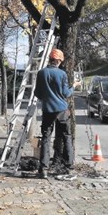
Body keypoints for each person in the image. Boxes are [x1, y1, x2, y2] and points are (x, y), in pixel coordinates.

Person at [34, 48, 81, 178]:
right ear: (59, 60)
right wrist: (74, 86)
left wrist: (47, 98)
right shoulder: (62, 74)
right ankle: (69, 167)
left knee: (46, 137)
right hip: (62, 110)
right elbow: (66, 93)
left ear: (50, 59)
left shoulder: (41, 73)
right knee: (67, 136)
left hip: (47, 110)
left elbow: (37, 93)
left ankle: (44, 169)